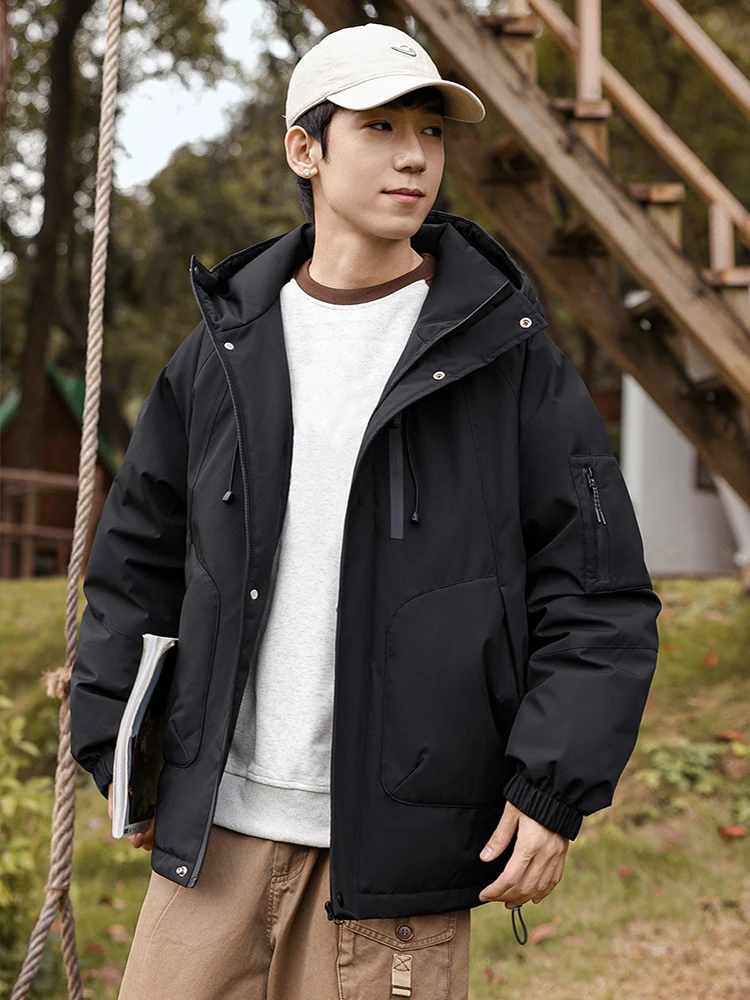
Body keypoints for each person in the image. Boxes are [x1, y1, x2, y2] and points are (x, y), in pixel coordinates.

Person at [69, 21, 662, 1000]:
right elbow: (136, 560)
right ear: (305, 149)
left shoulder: (506, 355)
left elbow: (598, 595)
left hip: (396, 864)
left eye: (430, 131)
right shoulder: (223, 348)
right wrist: (119, 748)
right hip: (211, 842)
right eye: (380, 127)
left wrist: (553, 785)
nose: (414, 156)